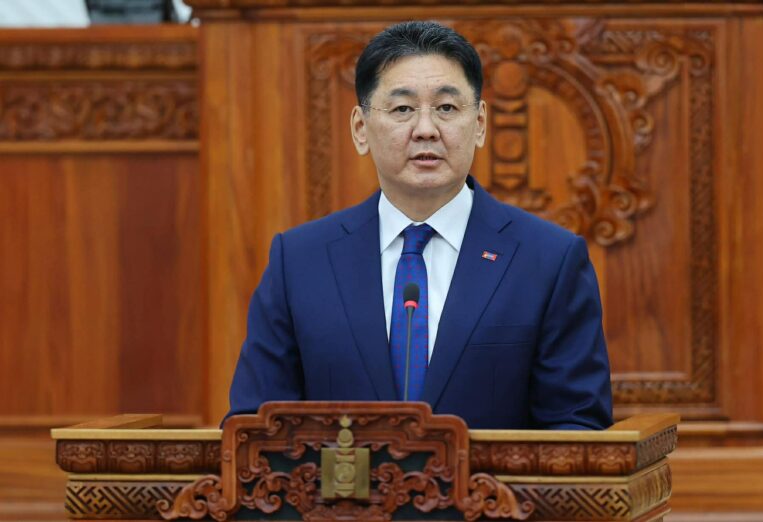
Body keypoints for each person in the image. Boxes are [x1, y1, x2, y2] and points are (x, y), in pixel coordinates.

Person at [226, 21, 613, 430]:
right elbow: (254, 428)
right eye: (402, 109)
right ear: (360, 129)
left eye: (446, 108)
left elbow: (577, 428)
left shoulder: (549, 260)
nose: (426, 130)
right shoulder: (299, 262)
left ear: (480, 124)